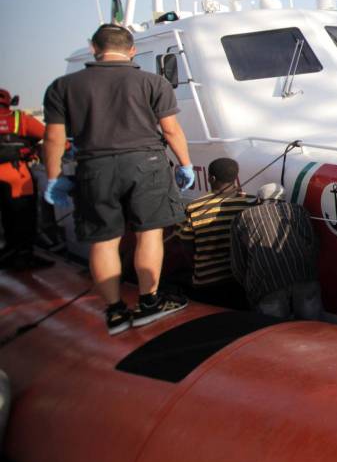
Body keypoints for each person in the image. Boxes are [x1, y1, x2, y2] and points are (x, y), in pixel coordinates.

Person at [42, 24, 193, 335]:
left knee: (104, 241)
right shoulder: (154, 82)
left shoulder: (64, 86)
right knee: (149, 235)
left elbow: (53, 139)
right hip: (146, 163)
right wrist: (186, 164)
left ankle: (114, 312)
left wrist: (54, 178)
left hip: (94, 167)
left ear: (94, 48)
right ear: (132, 50)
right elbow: (171, 130)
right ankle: (149, 303)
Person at [230, 182, 322, 320]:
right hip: (303, 274)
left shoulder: (243, 217)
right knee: (311, 327)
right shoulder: (298, 211)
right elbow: (312, 244)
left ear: (259, 200)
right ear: (283, 199)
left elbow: (238, 262)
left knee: (275, 329)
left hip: (266, 281)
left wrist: (249, 284)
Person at [178, 158, 255, 310]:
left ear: (211, 178)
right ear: (236, 178)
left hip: (207, 281)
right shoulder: (250, 202)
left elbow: (186, 245)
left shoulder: (194, 207)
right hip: (240, 279)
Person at [0, 88, 51, 269]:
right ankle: (23, 256)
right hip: (16, 176)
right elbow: (51, 136)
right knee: (24, 218)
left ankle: (8, 252)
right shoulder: (19, 119)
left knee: (6, 218)